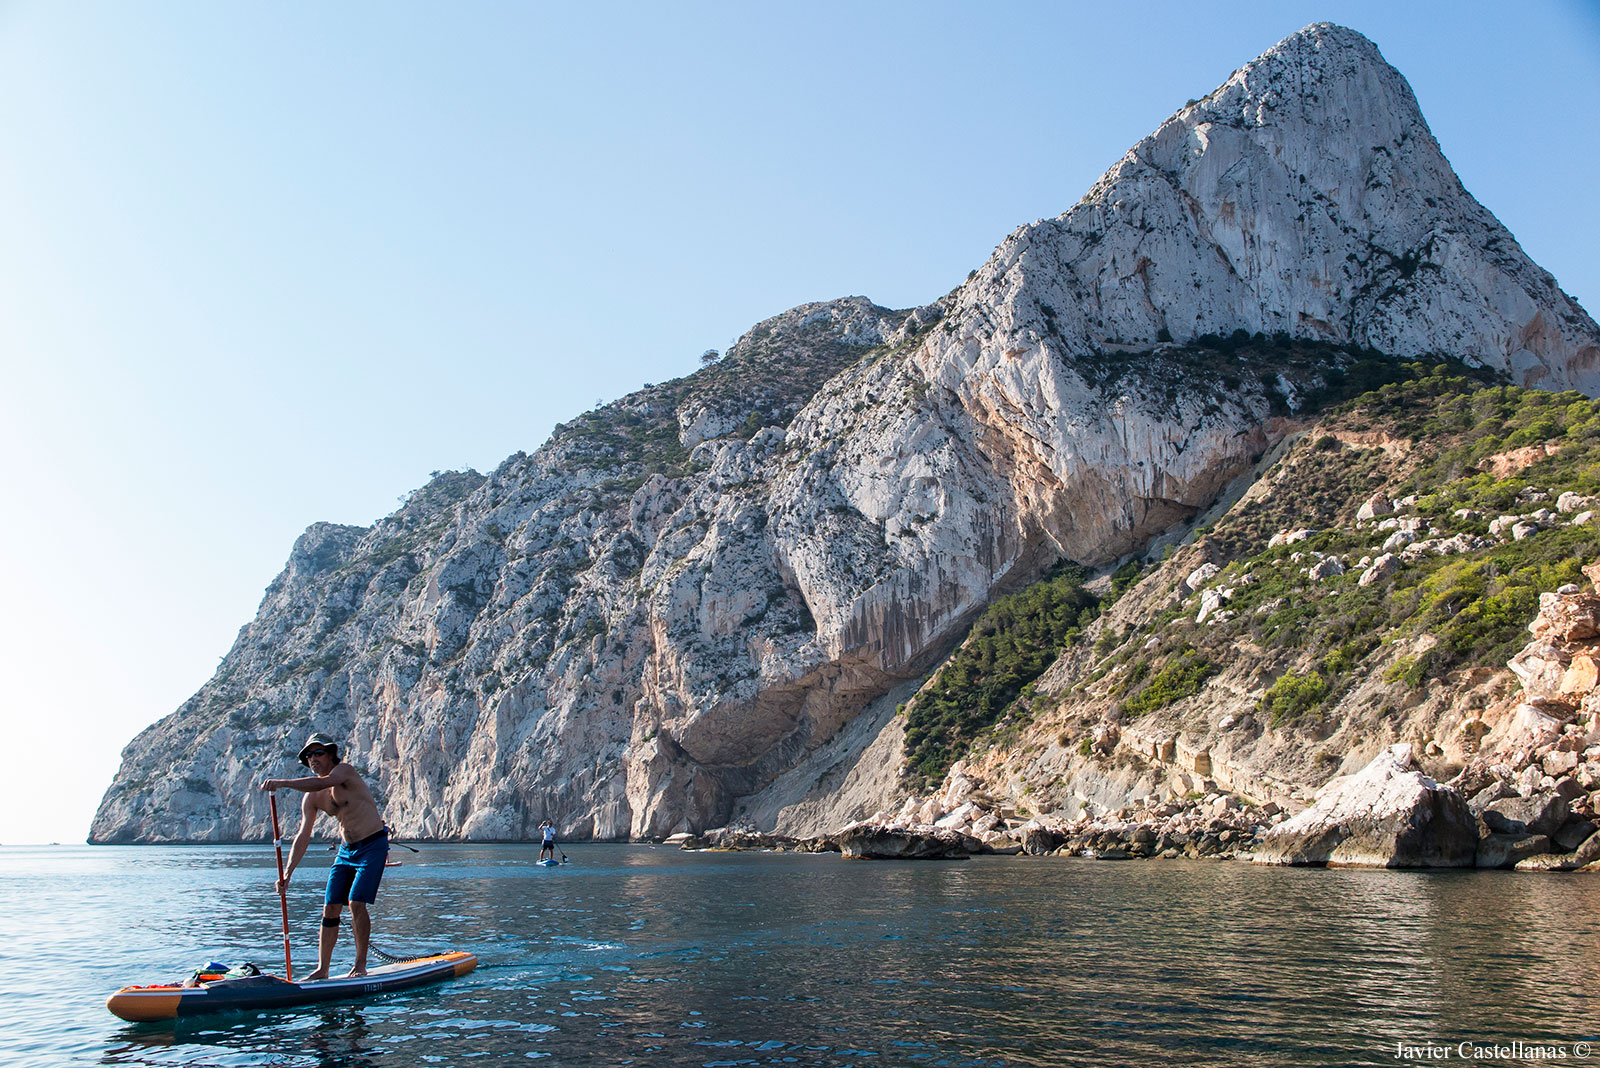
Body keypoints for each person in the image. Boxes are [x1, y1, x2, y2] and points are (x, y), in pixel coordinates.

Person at [259, 732, 389, 979]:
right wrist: (287, 873)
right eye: (309, 755)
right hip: (346, 851)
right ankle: (322, 969)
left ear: (331, 754)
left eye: (318, 753)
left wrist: (283, 783)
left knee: (356, 902)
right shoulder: (311, 798)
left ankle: (360, 965)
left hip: (373, 845)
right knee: (330, 907)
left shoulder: (344, 772)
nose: (313, 759)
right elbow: (303, 836)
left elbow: (323, 782)